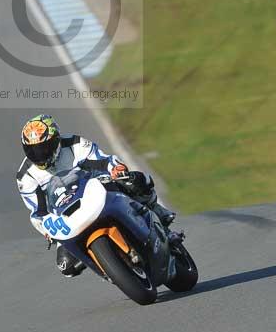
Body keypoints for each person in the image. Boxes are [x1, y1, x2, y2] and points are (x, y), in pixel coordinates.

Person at [16, 114, 175, 278]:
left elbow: (102, 160)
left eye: (43, 148)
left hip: (95, 190)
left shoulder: (74, 144)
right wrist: (47, 231)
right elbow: (38, 212)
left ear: (56, 141)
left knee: (134, 180)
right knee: (66, 266)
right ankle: (110, 270)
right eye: (32, 151)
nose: (39, 155)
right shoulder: (25, 177)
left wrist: (116, 169)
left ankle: (158, 211)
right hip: (66, 215)